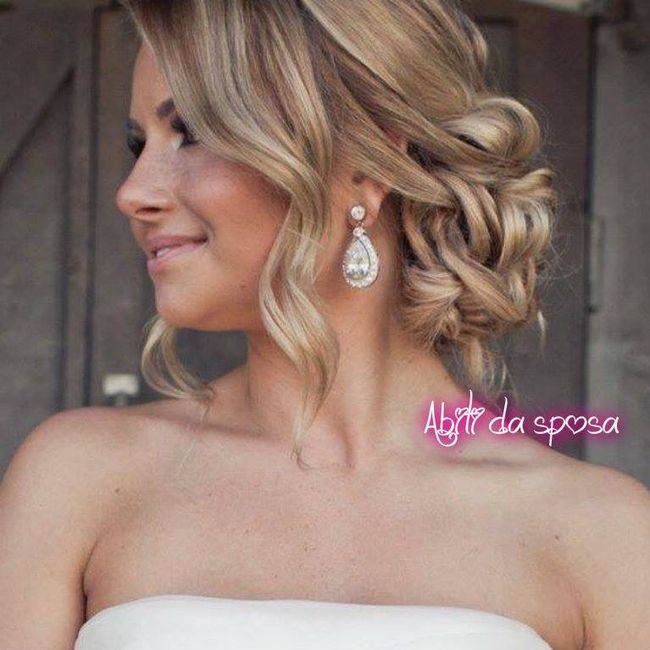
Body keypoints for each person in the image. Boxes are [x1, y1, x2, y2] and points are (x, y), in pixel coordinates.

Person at [1, 1, 649, 649]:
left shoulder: (602, 534)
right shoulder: (80, 479)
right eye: (138, 145)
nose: (132, 193)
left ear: (368, 165)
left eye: (192, 133)